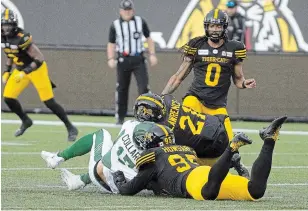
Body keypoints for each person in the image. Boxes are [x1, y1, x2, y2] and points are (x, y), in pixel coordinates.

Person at [113, 116, 287, 201]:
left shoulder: (152, 158)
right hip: (206, 173)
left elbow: (129, 189)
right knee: (254, 191)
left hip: (194, 182)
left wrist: (119, 178)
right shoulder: (186, 149)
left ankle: (231, 148)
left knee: (208, 193)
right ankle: (269, 139)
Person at [161, 9, 256, 143]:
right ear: (206, 27)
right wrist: (161, 97)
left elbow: (239, 80)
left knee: (228, 142)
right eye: (212, 26)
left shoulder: (235, 48)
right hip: (195, 99)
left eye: (218, 26)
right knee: (181, 133)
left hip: (217, 105)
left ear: (224, 27)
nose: (215, 30)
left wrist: (245, 84)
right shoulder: (197, 45)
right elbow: (178, 77)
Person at [1, 9, 78, 141]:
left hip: (36, 69)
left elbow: (39, 58)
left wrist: (25, 72)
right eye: (4, 25)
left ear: (14, 25)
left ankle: (70, 127)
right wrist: (7, 70)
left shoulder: (22, 37)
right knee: (8, 97)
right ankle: (26, 120)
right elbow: (10, 54)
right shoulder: (3, 37)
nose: (6, 28)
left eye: (9, 25)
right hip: (20, 69)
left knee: (49, 101)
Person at [133, 92, 249, 177]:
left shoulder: (164, 128)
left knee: (186, 164)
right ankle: (231, 154)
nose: (140, 113)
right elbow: (164, 96)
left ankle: (229, 159)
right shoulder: (168, 100)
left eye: (143, 111)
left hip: (212, 144)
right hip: (216, 124)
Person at [41, 120, 169, 193]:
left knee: (102, 134)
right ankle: (79, 180)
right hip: (119, 185)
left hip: (100, 172)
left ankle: (57, 158)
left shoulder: (129, 126)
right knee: (114, 158)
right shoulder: (150, 162)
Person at [107, 0, 158, 125]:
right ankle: (120, 117)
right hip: (123, 60)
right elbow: (111, 43)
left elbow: (149, 39)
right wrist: (110, 58)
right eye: (125, 10)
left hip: (138, 59)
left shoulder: (140, 22)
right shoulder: (115, 25)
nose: (127, 12)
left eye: (129, 10)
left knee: (144, 88)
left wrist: (152, 54)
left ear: (132, 11)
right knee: (122, 89)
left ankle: (146, 116)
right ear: (120, 11)